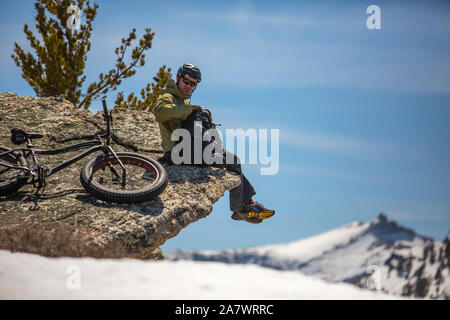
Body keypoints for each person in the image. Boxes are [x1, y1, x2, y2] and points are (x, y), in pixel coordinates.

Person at [152, 63, 275, 224]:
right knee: (226, 157)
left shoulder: (185, 103)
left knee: (233, 160)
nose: (189, 86)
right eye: (186, 82)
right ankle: (242, 208)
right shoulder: (168, 97)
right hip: (178, 153)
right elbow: (160, 113)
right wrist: (190, 111)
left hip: (193, 149)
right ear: (178, 78)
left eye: (193, 84)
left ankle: (246, 204)